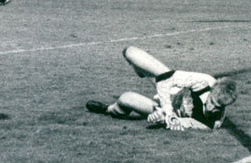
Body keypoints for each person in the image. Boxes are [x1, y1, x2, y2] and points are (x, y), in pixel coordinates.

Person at [86, 46, 237, 131]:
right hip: (173, 89)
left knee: (125, 98)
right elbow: (165, 80)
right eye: (211, 102)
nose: (212, 108)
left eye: (218, 107)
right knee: (130, 52)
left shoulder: (211, 124)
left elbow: (181, 123)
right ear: (211, 91)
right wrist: (168, 110)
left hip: (167, 110)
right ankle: (142, 72)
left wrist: (162, 118)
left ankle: (108, 109)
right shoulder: (205, 81)